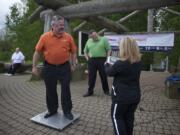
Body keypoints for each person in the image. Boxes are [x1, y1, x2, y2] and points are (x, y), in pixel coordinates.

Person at [32, 15, 77, 120]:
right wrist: (34, 66)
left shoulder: (68, 37)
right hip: (49, 67)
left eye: (63, 25)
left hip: (64, 67)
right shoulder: (44, 37)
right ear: (53, 25)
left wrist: (73, 64)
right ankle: (52, 110)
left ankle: (67, 111)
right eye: (60, 26)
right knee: (50, 90)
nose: (62, 27)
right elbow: (37, 52)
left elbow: (73, 52)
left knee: (66, 89)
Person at [105, 37, 142, 135]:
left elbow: (109, 72)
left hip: (121, 98)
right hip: (135, 97)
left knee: (117, 117)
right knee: (129, 118)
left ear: (124, 48)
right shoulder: (138, 62)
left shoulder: (120, 63)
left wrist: (107, 63)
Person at [83, 29, 111, 97]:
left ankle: (106, 91)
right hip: (92, 61)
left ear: (97, 34)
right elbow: (85, 51)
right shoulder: (89, 41)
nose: (94, 37)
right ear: (90, 36)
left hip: (102, 60)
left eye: (95, 35)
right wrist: (87, 59)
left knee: (103, 76)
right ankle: (90, 91)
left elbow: (109, 49)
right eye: (92, 37)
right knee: (91, 77)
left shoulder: (104, 39)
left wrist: (107, 59)